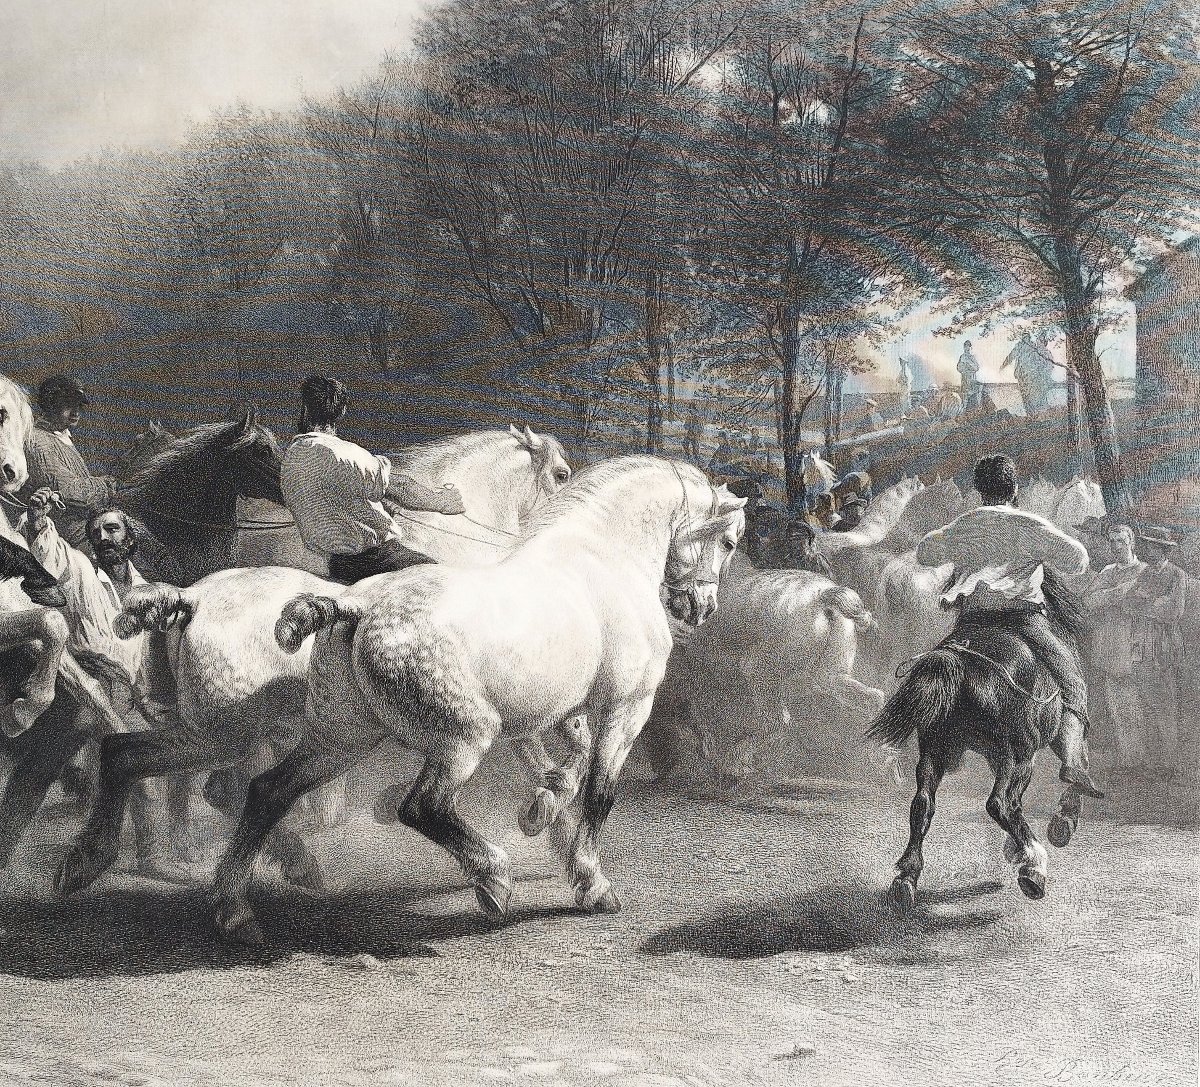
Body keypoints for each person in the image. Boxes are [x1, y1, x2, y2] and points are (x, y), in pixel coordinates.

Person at [915, 454, 1103, 798]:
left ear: (979, 490)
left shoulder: (965, 523)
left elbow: (925, 552)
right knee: (1073, 682)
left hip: (971, 622)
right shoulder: (1030, 524)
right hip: (1023, 620)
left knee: (933, 665)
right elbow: (1078, 559)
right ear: (1014, 489)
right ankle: (1071, 761)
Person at [23, 488, 184, 882]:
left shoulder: (147, 591)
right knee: (42, 772)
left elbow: (146, 656)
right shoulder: (82, 572)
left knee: (150, 764)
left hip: (130, 691)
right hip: (86, 686)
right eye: (96, 533)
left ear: (129, 537)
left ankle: (150, 855)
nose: (103, 538)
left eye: (112, 530)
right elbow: (52, 555)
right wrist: (39, 521)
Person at [280, 376, 467, 585]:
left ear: (305, 408)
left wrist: (377, 510)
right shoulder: (346, 454)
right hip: (378, 560)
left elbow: (331, 500)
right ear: (342, 411)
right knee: (444, 581)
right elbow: (401, 488)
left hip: (336, 565)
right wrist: (443, 502)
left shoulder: (291, 458)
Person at [21, 375, 118, 548]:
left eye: (78, 405)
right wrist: (108, 485)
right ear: (50, 405)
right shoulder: (37, 441)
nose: (76, 412)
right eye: (67, 405)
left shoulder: (61, 437)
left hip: (89, 525)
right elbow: (69, 491)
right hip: (65, 535)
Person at [1083, 523, 1148, 774]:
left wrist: (1114, 598)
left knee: (1134, 706)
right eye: (1112, 541)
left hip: (1135, 646)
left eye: (1121, 541)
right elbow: (1089, 601)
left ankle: (1137, 759)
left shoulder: (1144, 571)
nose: (1116, 546)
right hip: (1110, 646)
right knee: (1116, 706)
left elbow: (1143, 605)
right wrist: (1117, 593)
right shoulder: (1108, 571)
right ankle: (1127, 759)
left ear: (1131, 542)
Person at [1126, 528, 1186, 780]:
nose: (1148, 550)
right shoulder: (1145, 573)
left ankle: (1169, 764)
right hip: (1142, 646)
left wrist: (1147, 602)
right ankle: (1151, 763)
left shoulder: (1176, 574)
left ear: (1163, 549)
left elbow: (1174, 612)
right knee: (1146, 705)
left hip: (1165, 647)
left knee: (1166, 706)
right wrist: (1150, 602)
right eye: (1147, 545)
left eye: (1152, 546)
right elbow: (1128, 603)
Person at [1000, 331, 1056, 416]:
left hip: (1032, 377)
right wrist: (1002, 367)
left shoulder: (1034, 348)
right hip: (1022, 375)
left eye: (1026, 337)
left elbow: (1042, 364)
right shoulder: (1020, 346)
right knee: (1026, 396)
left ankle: (1035, 415)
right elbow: (1010, 357)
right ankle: (1031, 415)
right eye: (1023, 337)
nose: (1024, 339)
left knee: (1032, 396)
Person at [957, 340, 982, 412]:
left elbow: (976, 367)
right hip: (964, 379)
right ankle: (964, 409)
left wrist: (968, 363)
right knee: (964, 394)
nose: (967, 349)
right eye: (965, 347)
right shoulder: (962, 357)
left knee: (972, 395)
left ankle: (973, 410)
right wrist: (963, 366)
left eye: (968, 347)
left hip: (972, 379)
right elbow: (958, 368)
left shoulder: (972, 357)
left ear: (971, 348)